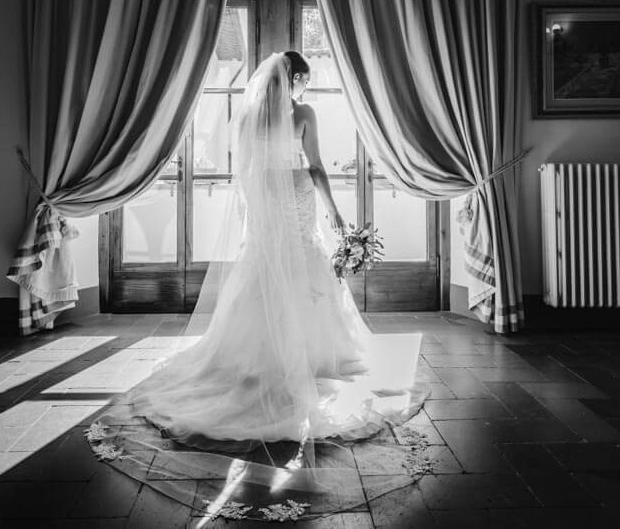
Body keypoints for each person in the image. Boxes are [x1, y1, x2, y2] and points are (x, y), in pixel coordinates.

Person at [87, 51, 427, 513]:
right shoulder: (303, 112)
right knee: (309, 270)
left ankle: (252, 359)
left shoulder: (245, 115)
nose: (303, 88)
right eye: (302, 80)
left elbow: (243, 172)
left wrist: (257, 217)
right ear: (296, 80)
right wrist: (336, 211)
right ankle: (309, 356)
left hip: (266, 205)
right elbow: (317, 166)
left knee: (263, 278)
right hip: (298, 198)